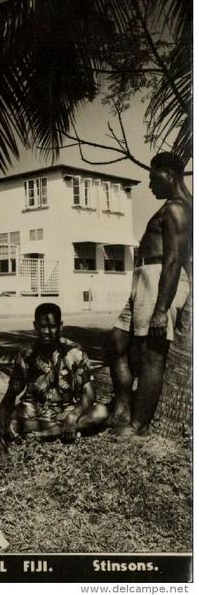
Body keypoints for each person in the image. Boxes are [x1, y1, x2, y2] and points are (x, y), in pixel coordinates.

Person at [107, 151, 192, 439]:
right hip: (145, 279)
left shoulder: (177, 208)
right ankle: (122, 404)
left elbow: (172, 261)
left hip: (159, 280)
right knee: (118, 339)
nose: (150, 185)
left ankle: (137, 426)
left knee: (152, 354)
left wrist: (160, 309)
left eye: (153, 178)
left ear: (168, 174)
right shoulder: (172, 207)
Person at [0, 302, 108, 441]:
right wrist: (3, 413)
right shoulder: (26, 355)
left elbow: (89, 394)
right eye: (42, 327)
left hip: (65, 411)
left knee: (101, 412)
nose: (46, 332)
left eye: (51, 327)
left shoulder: (75, 353)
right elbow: (11, 394)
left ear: (60, 326)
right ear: (35, 326)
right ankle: (57, 430)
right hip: (31, 412)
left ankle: (38, 432)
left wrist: (74, 415)